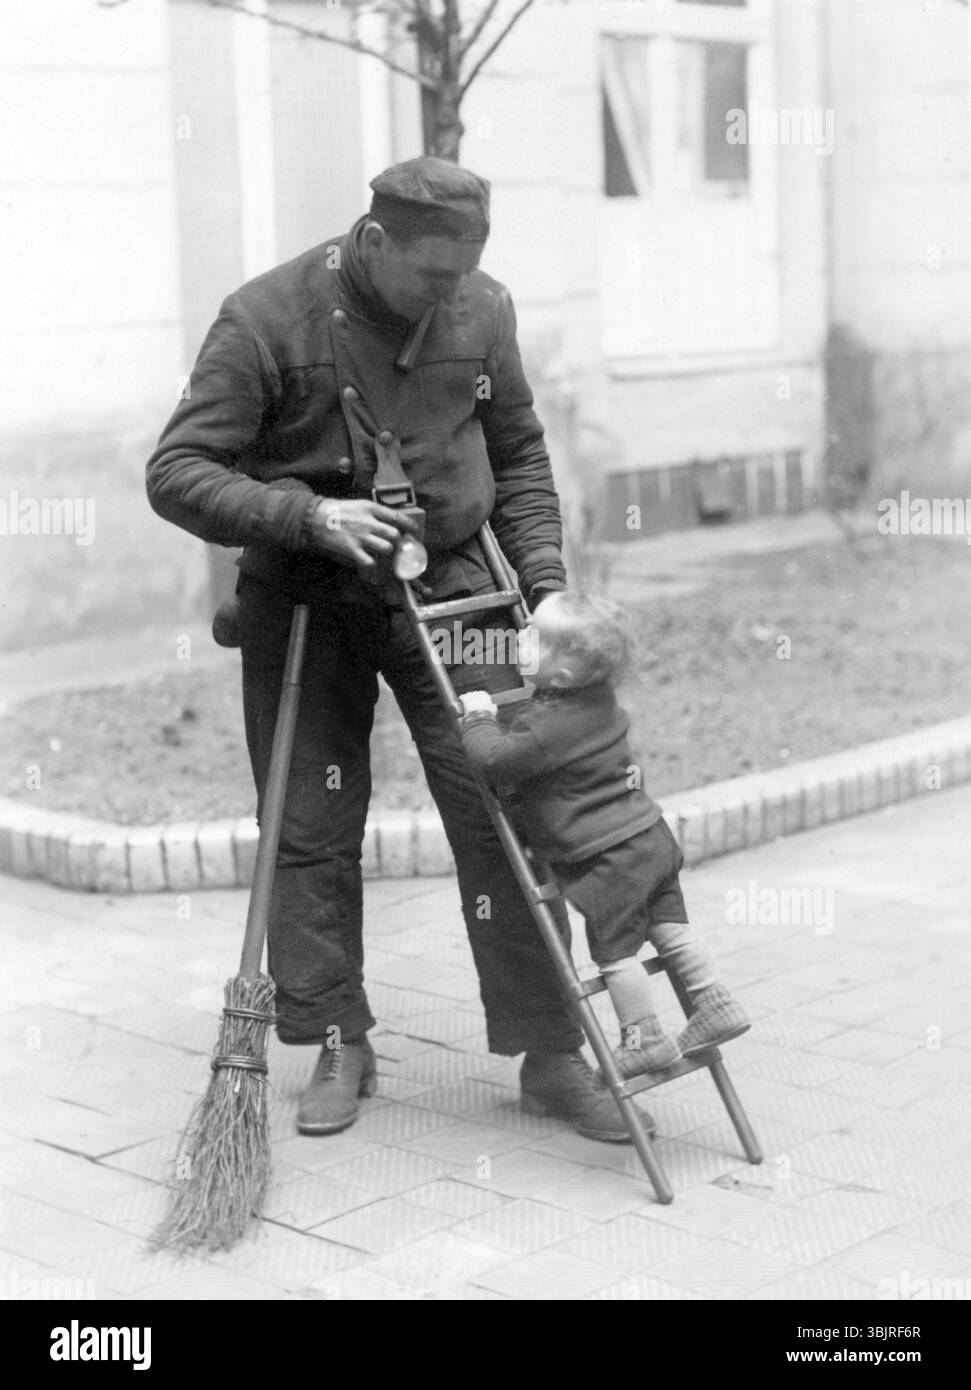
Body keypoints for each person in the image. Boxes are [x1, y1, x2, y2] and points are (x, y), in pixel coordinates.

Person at [146, 156, 653, 1143]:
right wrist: (303, 514)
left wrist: (543, 585)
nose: (447, 295)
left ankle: (549, 1048)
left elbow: (516, 451)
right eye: (429, 276)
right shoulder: (262, 319)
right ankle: (337, 1034)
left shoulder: (483, 308)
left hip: (459, 583)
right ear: (373, 244)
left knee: (507, 808)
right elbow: (177, 471)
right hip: (308, 595)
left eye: (462, 274)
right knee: (309, 818)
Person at [459, 591, 751, 1080]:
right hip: (649, 838)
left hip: (604, 858)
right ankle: (714, 1002)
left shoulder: (545, 728)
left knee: (615, 953)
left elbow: (495, 762)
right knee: (670, 928)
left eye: (533, 637)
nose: (519, 637)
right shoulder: (600, 702)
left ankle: (644, 1039)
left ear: (564, 677)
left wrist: (479, 718)